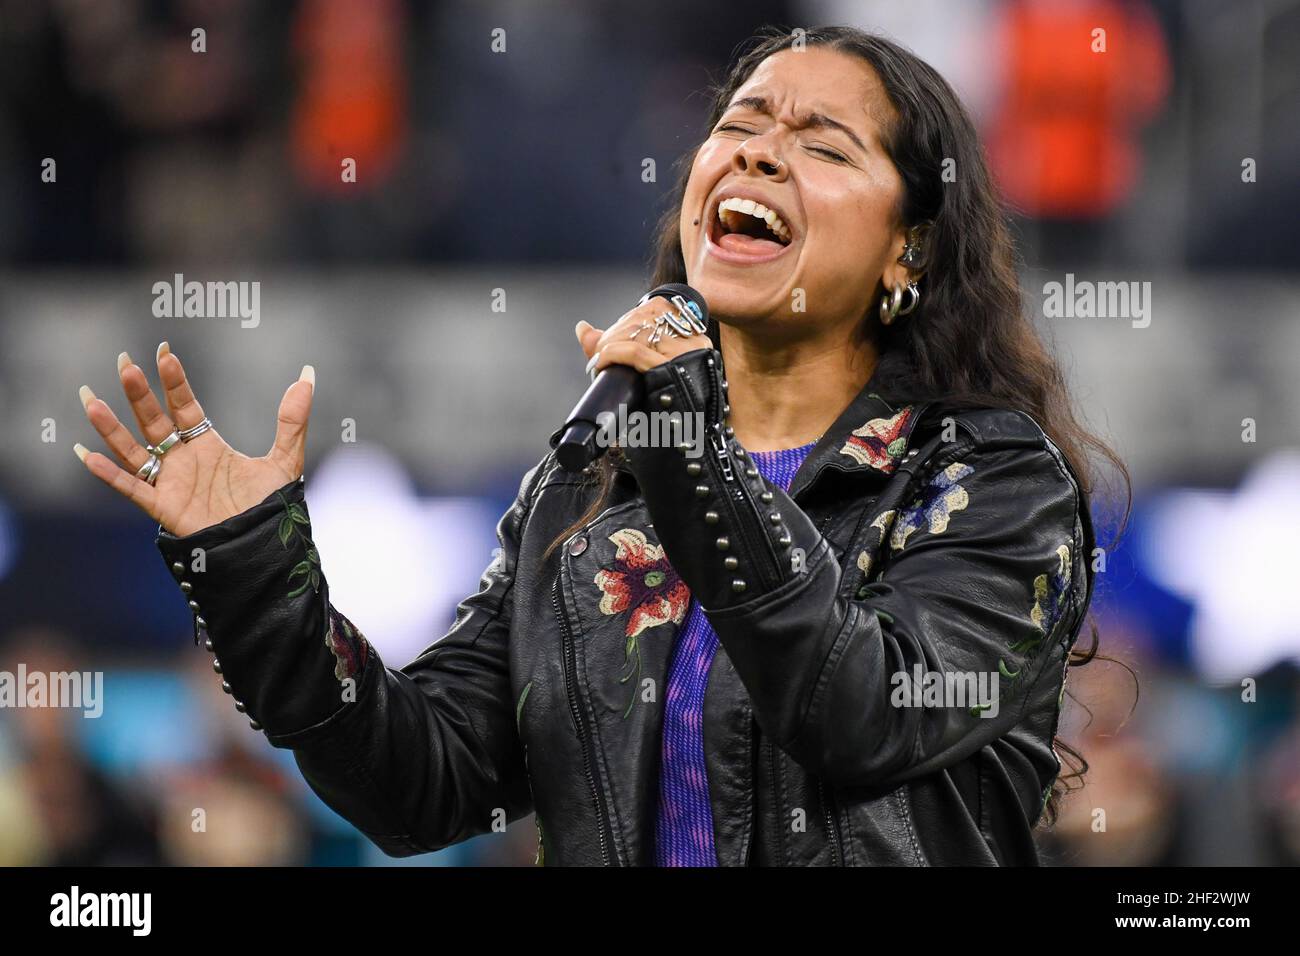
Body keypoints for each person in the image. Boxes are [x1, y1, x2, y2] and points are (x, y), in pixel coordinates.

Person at [73, 26, 1124, 866]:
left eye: (822, 143)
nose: (756, 147)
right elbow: (422, 783)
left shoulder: (987, 479)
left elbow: (862, 712)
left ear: (911, 248)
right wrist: (252, 569)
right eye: (742, 121)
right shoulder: (588, 495)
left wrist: (684, 446)